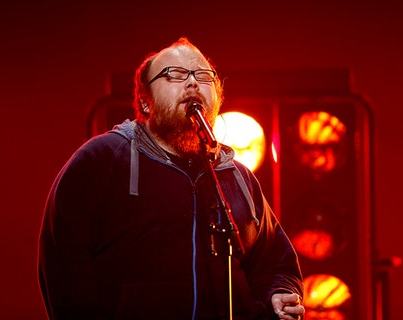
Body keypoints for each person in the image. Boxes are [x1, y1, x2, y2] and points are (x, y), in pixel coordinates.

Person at [38, 37, 305, 320]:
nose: (192, 83)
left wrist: (277, 294)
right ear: (144, 100)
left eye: (203, 76)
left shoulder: (237, 177)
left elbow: (275, 264)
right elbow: (64, 265)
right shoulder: (103, 159)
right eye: (174, 75)